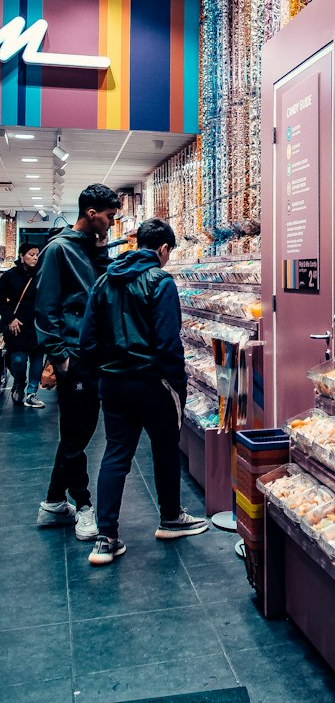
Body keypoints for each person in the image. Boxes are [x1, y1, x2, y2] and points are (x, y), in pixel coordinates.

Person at [80, 217, 208, 565]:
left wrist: (100, 375)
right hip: (152, 382)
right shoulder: (160, 281)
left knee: (116, 453)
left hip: (113, 383)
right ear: (163, 249)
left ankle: (105, 538)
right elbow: (168, 343)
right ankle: (170, 518)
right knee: (165, 448)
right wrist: (177, 385)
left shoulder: (104, 281)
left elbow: (87, 339)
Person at [33, 183, 121, 539]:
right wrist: (61, 357)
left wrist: (100, 252)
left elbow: (100, 289)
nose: (111, 224)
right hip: (75, 357)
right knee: (77, 434)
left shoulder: (89, 247)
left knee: (76, 433)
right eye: (109, 217)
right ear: (91, 213)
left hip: (93, 354)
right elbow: (46, 308)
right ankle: (83, 506)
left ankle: (54, 503)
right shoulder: (58, 250)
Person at [0, 242, 43, 407]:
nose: (35, 258)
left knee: (37, 359)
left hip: (37, 324)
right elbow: (1, 300)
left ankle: (32, 393)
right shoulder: (10, 276)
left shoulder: (41, 274)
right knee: (18, 360)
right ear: (21, 256)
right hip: (17, 326)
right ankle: (19, 382)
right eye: (31, 254)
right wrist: (11, 318)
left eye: (37, 255)